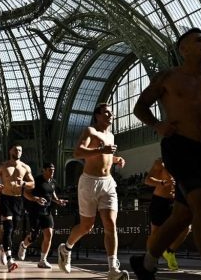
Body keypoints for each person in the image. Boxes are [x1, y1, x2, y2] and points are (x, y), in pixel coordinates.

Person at [130, 28, 201, 280]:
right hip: (177, 145)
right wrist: (157, 125)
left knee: (182, 215)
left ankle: (145, 263)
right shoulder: (167, 77)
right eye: (198, 40)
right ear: (183, 48)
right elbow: (140, 107)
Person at [57, 102, 129, 280]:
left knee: (110, 224)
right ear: (97, 115)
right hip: (89, 182)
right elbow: (78, 152)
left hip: (108, 183)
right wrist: (101, 150)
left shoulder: (111, 136)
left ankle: (113, 269)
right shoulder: (90, 131)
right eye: (106, 112)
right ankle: (66, 248)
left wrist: (115, 159)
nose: (110, 115)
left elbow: (106, 156)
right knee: (86, 226)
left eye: (111, 113)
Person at [0, 144, 35, 272]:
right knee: (8, 228)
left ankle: (2, 248)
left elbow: (33, 184)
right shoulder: (3, 166)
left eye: (20, 149)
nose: (18, 151)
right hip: (6, 198)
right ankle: (10, 259)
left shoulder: (25, 167)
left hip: (18, 199)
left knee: (13, 227)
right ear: (10, 150)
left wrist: (25, 183)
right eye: (16, 149)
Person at [18, 162, 68, 269]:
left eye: (53, 170)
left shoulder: (53, 182)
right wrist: (36, 199)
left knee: (49, 234)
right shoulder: (36, 181)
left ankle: (43, 260)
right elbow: (26, 193)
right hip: (35, 211)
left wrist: (58, 201)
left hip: (47, 212)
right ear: (44, 170)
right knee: (33, 236)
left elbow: (52, 194)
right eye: (50, 170)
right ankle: (24, 245)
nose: (52, 172)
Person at [143, 158, 190, 271]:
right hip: (159, 201)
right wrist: (162, 182)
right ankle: (149, 260)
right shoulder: (161, 162)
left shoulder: (184, 163)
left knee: (186, 227)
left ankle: (169, 252)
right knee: (155, 233)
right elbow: (147, 180)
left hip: (175, 202)